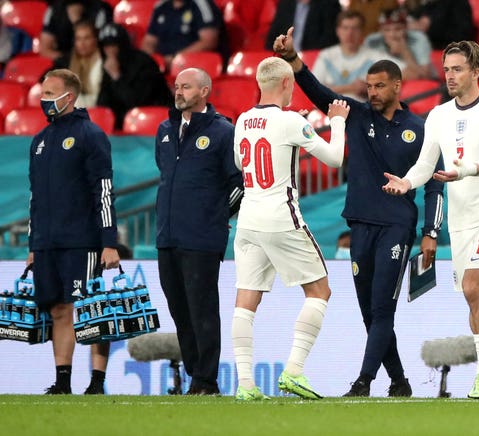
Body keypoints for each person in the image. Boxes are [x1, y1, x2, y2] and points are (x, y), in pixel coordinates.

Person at [273, 28, 445, 397]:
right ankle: (399, 382)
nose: (372, 92)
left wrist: (431, 232)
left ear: (398, 87)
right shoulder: (357, 116)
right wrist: (293, 60)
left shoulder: (420, 130)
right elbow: (321, 95)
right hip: (360, 225)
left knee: (383, 308)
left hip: (397, 227)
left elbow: (434, 184)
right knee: (370, 312)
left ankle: (364, 381)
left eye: (380, 86)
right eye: (369, 86)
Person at [382, 41, 479, 400]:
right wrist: (408, 181)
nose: (450, 76)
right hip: (460, 221)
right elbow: (426, 164)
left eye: (457, 69)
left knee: (474, 287)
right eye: (446, 70)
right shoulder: (439, 115)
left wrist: (465, 171)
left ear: (476, 70)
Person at [230, 56, 350, 401]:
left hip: (248, 218)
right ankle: (294, 371)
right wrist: (337, 122)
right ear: (287, 84)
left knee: (245, 300)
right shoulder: (290, 122)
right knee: (320, 291)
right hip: (281, 217)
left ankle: (246, 386)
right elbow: (334, 158)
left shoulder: (242, 120)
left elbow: (241, 163)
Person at [27, 68, 120, 395]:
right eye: (43, 92)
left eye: (51, 93)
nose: (44, 99)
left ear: (70, 96)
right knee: (59, 308)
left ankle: (97, 381)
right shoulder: (39, 141)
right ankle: (63, 380)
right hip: (48, 242)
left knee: (92, 307)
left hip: (84, 240)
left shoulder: (90, 134)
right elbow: (34, 198)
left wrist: (109, 241)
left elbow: (104, 189)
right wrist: (32, 243)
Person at [155, 67, 244, 395]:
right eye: (177, 86)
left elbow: (240, 184)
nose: (178, 92)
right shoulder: (165, 129)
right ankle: (196, 376)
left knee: (202, 308)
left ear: (204, 91)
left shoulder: (223, 132)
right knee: (179, 309)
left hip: (202, 238)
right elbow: (166, 175)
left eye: (186, 87)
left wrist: (217, 216)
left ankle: (206, 380)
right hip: (167, 236)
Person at [97, 22, 172, 130]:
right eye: (106, 46)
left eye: (113, 45)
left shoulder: (144, 63)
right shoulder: (109, 65)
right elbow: (102, 104)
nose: (110, 51)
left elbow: (136, 103)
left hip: (154, 125)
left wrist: (117, 77)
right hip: (121, 129)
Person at [313, 10, 397, 101]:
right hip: (326, 109)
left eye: (355, 28)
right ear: (338, 31)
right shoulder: (326, 55)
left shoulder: (374, 56)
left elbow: (410, 72)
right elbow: (313, 89)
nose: (349, 34)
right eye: (345, 28)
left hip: (361, 111)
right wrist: (352, 88)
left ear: (362, 32)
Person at [141, 0, 229, 72]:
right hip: (163, 68)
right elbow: (149, 41)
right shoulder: (161, 6)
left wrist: (176, 59)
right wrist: (153, 61)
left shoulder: (201, 4)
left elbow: (209, 41)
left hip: (194, 69)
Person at [364, 7, 434, 80]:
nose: (393, 35)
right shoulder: (372, 41)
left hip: (417, 84)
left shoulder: (419, 38)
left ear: (406, 28)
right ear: (381, 31)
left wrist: (404, 51)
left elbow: (426, 77)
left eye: (398, 29)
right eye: (387, 30)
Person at [50, 21, 103, 108]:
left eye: (87, 38)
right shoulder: (66, 61)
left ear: (95, 40)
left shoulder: (103, 62)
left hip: (96, 107)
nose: (82, 43)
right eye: (78, 39)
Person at [39, 0, 113, 60]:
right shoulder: (54, 9)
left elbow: (106, 49)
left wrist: (77, 21)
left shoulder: (101, 9)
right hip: (63, 61)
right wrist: (69, 61)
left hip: (94, 63)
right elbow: (45, 50)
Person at [265, 0, 341, 53]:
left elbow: (330, 40)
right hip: (285, 59)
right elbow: (272, 39)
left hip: (315, 60)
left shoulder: (330, 4)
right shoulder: (285, 4)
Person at [404, 0, 475, 50]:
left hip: (448, 50)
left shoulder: (458, 3)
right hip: (417, 48)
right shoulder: (422, 5)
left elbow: (463, 37)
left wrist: (429, 28)